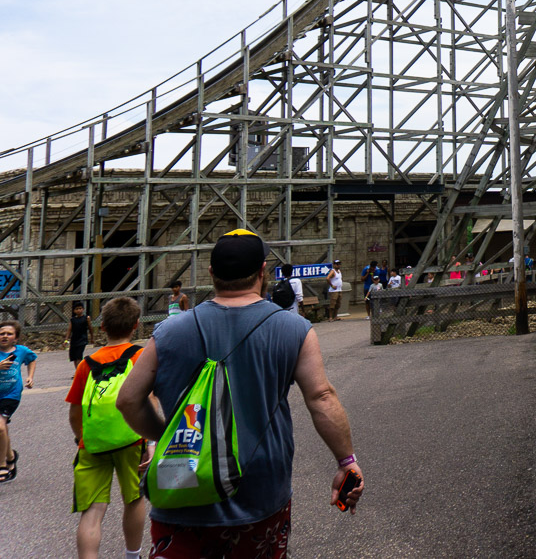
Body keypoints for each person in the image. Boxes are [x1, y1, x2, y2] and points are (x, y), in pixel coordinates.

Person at [118, 229, 364, 557]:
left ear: (211, 274)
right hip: (260, 494)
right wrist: (346, 461)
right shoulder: (294, 330)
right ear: (262, 272)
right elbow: (322, 398)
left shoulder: (168, 332)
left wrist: (171, 435)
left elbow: (128, 400)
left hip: (182, 485)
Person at [67, 296, 151, 559]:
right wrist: (150, 441)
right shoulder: (140, 356)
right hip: (131, 439)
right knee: (133, 499)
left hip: (93, 443)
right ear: (136, 325)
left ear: (102, 327)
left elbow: (74, 411)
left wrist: (82, 437)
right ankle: (132, 555)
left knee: (92, 511)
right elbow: (150, 400)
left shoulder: (86, 364)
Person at [0, 318, 38, 482]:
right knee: (2, 429)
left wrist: (30, 377)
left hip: (11, 395)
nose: (5, 336)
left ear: (15, 338)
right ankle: (10, 457)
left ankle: (1, 465)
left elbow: (32, 359)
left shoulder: (21, 351)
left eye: (9, 334)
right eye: (1, 333)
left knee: (0, 428)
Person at [69, 302, 91, 368]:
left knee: (79, 355)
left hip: (82, 339)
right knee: (74, 357)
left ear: (83, 309)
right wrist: (66, 339)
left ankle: (79, 371)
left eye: (80, 308)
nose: (79, 310)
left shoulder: (86, 318)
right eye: (77, 309)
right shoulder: (72, 320)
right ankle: (77, 371)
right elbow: (69, 330)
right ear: (74, 310)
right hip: (74, 340)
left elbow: (90, 328)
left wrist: (92, 337)